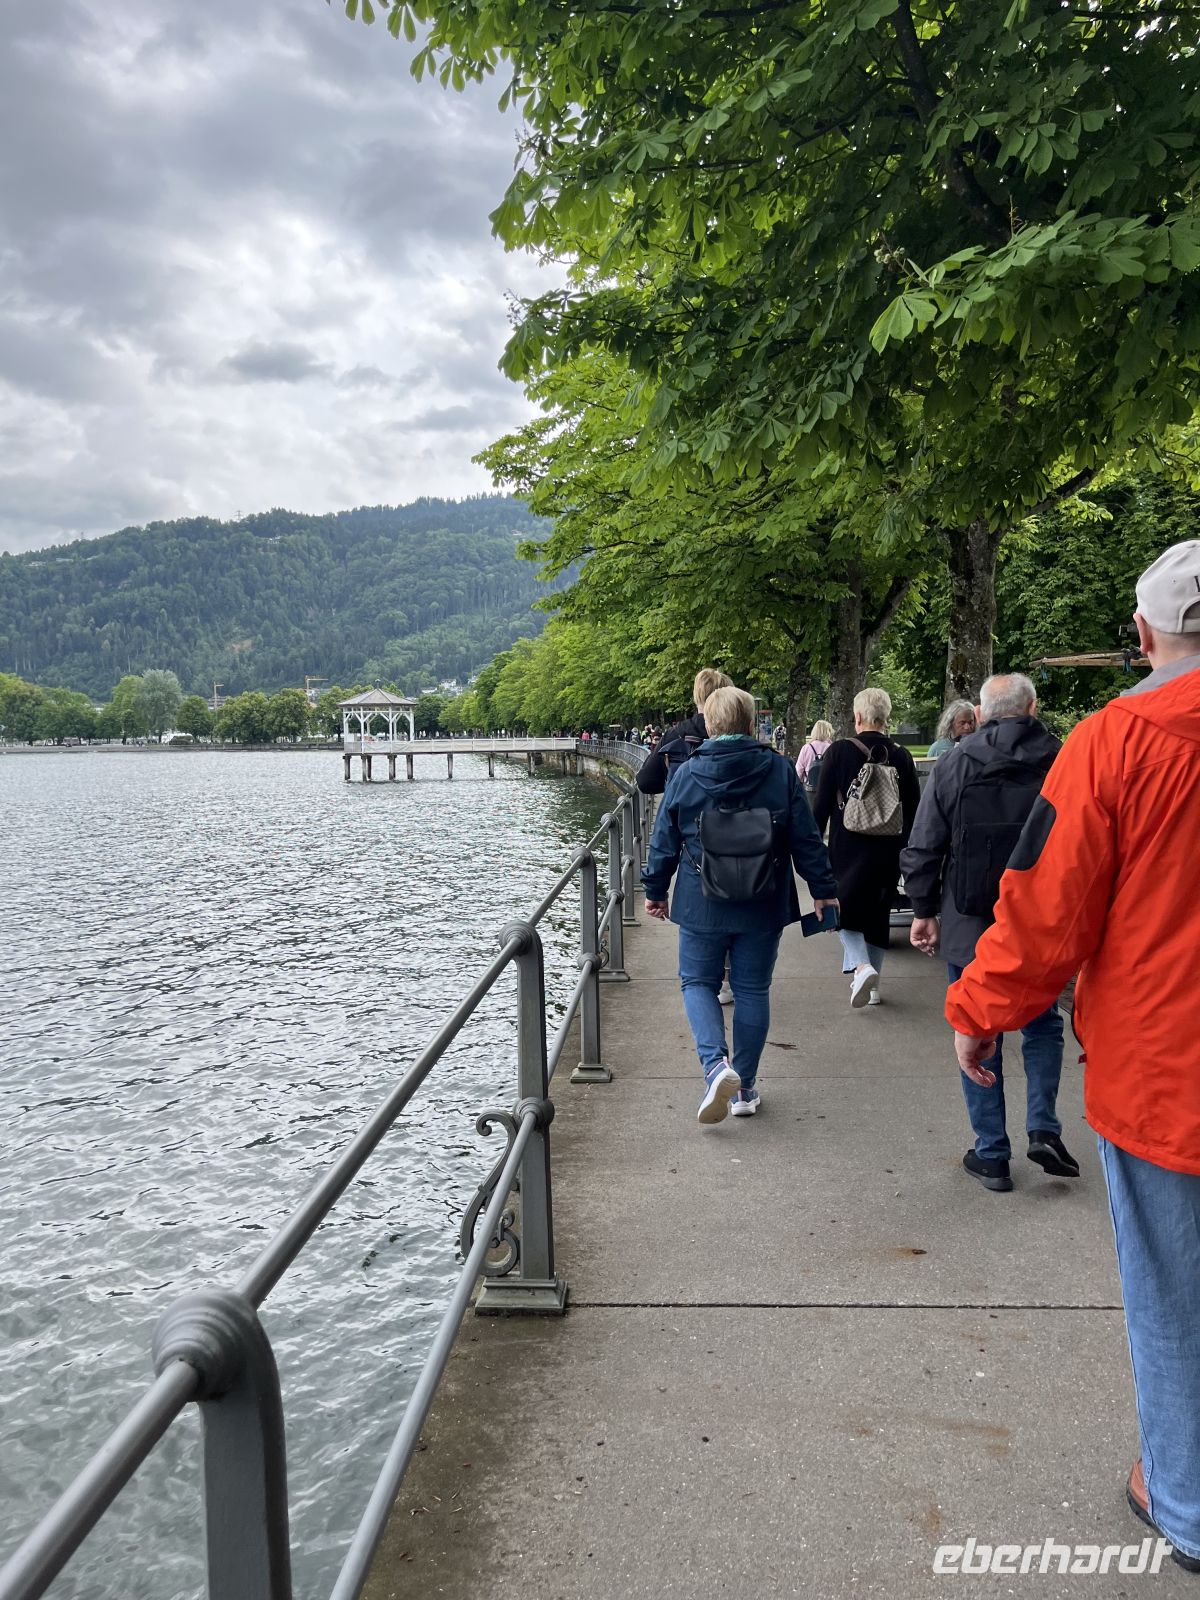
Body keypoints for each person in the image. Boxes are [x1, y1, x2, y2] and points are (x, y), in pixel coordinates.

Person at [946, 540, 1200, 1572]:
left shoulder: (1117, 742)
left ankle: (1182, 1499)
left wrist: (980, 1008)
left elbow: (1047, 909)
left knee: (1175, 1299)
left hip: (1166, 1074)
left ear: (1142, 635)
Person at [901, 673, 1071, 1191]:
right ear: (1033, 707)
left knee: (976, 1027)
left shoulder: (957, 760)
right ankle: (1042, 1124)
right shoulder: (1063, 760)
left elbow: (926, 840)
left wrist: (924, 908)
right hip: (1041, 921)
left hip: (971, 918)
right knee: (1043, 1026)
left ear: (980, 712)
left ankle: (992, 1152)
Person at [642, 686, 839, 1124]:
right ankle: (744, 1088)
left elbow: (664, 840)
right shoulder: (779, 770)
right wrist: (823, 887)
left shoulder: (686, 775)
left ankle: (716, 1067)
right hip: (763, 898)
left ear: (709, 725)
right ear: (751, 724)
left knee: (697, 983)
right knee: (752, 989)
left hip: (700, 901)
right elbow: (805, 838)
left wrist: (655, 889)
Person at [812, 688, 920, 1007]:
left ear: (857, 717)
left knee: (840, 909)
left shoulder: (839, 752)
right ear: (886, 718)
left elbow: (820, 806)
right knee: (878, 912)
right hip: (890, 848)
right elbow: (913, 807)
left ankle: (862, 967)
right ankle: (873, 988)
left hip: (848, 845)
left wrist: (812, 845)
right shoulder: (901, 755)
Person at [636, 669, 733, 797]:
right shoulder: (736, 732)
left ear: (696, 696)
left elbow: (645, 781)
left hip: (685, 810)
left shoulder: (676, 734)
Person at [795, 719, 835, 795]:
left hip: (810, 787)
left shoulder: (806, 748)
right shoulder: (832, 748)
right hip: (828, 788)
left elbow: (799, 771)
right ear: (828, 732)